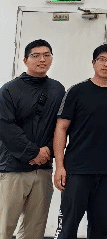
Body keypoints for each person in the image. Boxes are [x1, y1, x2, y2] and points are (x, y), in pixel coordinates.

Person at [53, 43, 107, 239]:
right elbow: (61, 128)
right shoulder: (77, 91)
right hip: (78, 170)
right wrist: (59, 166)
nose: (106, 64)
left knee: (100, 227)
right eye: (102, 60)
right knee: (68, 226)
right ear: (93, 63)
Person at [0, 39, 65, 239]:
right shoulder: (9, 90)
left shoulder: (58, 90)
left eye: (47, 55)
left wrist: (47, 152)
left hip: (43, 169)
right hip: (13, 169)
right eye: (36, 55)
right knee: (4, 227)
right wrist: (33, 152)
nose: (42, 59)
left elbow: (60, 127)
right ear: (25, 60)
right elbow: (5, 126)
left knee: (35, 229)